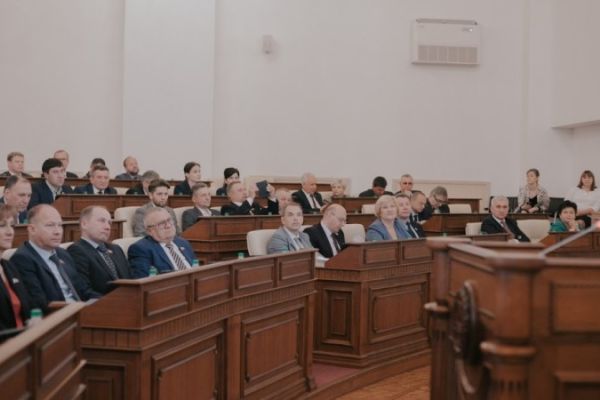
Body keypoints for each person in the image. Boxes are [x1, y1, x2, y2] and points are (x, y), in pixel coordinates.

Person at [10, 205, 94, 312]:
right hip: (59, 316)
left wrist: (102, 301)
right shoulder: (22, 259)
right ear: (32, 229)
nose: (57, 231)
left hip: (81, 310)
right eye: (50, 225)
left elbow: (82, 290)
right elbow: (39, 303)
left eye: (60, 225)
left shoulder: (63, 254)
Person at [67, 206, 132, 296]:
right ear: (84, 224)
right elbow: (84, 292)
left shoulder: (116, 249)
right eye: (102, 221)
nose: (107, 227)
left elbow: (131, 280)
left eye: (109, 223)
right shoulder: (77, 251)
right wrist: (115, 302)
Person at [128, 208, 195, 278]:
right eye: (161, 223)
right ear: (149, 231)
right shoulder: (141, 249)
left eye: (169, 220)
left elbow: (195, 267)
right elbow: (143, 280)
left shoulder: (183, 242)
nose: (168, 225)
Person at [0, 205, 32, 335]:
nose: (10, 232)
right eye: (2, 226)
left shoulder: (9, 266)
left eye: (12, 226)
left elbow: (26, 306)